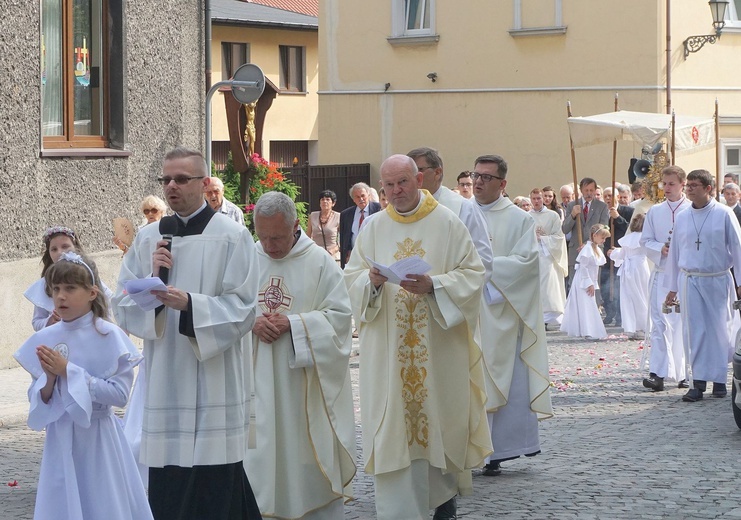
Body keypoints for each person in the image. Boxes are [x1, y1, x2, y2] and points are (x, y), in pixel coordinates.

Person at [113, 146, 262, 519]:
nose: (171, 186)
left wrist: (192, 306)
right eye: (166, 179)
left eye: (181, 179)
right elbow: (122, 303)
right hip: (167, 373)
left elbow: (244, 307)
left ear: (204, 182)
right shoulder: (149, 238)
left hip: (214, 374)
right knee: (170, 478)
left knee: (217, 477)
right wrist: (155, 286)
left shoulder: (231, 236)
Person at [344, 154, 490, 520]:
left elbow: (473, 274)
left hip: (438, 352)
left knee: (438, 423)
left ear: (418, 179)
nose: (396, 191)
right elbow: (350, 278)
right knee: (394, 431)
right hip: (389, 355)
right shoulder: (373, 227)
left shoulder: (447, 222)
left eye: (403, 182)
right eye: (389, 185)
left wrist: (435, 285)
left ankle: (443, 506)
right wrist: (372, 282)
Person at [14, 252, 153, 520]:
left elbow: (120, 395)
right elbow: (39, 398)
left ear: (92, 293)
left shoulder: (108, 334)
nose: (60, 296)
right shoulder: (46, 337)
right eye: (55, 289)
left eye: (70, 288)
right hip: (60, 436)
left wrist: (70, 372)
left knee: (102, 502)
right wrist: (50, 380)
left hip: (99, 438)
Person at [246, 192, 356, 519]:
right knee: (258, 456)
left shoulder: (319, 262)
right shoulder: (247, 258)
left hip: (302, 386)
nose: (269, 246)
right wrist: (251, 321)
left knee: (301, 452)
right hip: (256, 380)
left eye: (277, 237)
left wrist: (295, 325)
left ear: (296, 225)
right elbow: (228, 308)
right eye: (263, 236)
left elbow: (340, 318)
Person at [473, 155, 553, 477]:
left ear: (503, 184)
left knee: (506, 378)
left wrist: (482, 270)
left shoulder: (519, 220)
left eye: (487, 178)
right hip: (466, 309)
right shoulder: (459, 214)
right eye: (476, 175)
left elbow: (525, 266)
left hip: (499, 308)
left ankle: (498, 451)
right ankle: (468, 447)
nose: (479, 182)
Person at [665, 169, 741, 402]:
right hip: (690, 280)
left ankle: (719, 381)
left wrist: (740, 283)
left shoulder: (724, 214)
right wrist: (671, 288)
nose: (689, 189)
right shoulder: (684, 216)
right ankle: (697, 382)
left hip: (717, 278)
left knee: (719, 330)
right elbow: (675, 253)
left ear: (708, 189)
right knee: (694, 330)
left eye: (694, 185)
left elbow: (738, 249)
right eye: (688, 185)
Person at [639, 165, 691, 392]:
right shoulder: (655, 211)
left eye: (671, 184)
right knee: (659, 324)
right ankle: (658, 373)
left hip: (684, 277)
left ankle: (685, 373)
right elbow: (644, 241)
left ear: (682, 184)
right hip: (661, 275)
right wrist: (661, 248)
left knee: (682, 324)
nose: (667, 188)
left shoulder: (691, 210)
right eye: (664, 184)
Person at [407, 146, 493, 281]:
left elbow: (482, 262)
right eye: (408, 172)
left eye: (418, 170)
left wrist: (437, 285)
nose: (412, 177)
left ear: (437, 172)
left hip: (446, 296)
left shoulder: (464, 209)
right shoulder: (401, 210)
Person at [25, 226, 84, 331]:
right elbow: (37, 322)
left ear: (76, 248)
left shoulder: (88, 278)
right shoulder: (44, 285)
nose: (60, 252)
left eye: (65, 246)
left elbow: (104, 312)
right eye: (54, 249)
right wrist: (50, 320)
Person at [560, 224, 611, 340]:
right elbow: (583, 268)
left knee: (589, 303)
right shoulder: (587, 249)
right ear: (595, 235)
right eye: (602, 238)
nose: (604, 240)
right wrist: (589, 283)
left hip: (589, 279)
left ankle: (589, 329)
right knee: (585, 304)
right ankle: (587, 330)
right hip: (583, 280)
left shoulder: (595, 249)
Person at [530, 188, 568, 329]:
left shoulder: (553, 216)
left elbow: (559, 237)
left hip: (548, 255)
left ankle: (552, 318)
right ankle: (537, 317)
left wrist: (544, 238)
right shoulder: (526, 216)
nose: (537, 201)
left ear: (544, 199)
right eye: (534, 199)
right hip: (533, 256)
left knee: (549, 286)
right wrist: (533, 237)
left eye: (539, 198)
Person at [562, 178, 609, 289]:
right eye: (586, 190)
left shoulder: (601, 207)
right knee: (575, 285)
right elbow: (565, 229)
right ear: (581, 190)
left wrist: (588, 244)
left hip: (593, 252)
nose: (589, 193)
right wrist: (573, 215)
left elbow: (605, 229)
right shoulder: (572, 205)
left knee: (591, 286)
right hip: (576, 251)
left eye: (591, 190)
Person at [608, 214, 650, 340]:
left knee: (629, 297)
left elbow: (622, 254)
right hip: (640, 268)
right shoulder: (645, 238)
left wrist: (613, 253)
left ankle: (631, 327)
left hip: (628, 269)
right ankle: (642, 327)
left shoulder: (628, 239)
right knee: (642, 296)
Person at [600, 190, 634, 327]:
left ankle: (620, 315)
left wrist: (618, 217)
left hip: (621, 252)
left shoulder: (628, 210)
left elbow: (631, 229)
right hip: (606, 253)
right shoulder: (602, 211)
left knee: (619, 285)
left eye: (611, 196)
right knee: (605, 285)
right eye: (606, 196)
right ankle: (609, 312)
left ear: (618, 197)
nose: (608, 198)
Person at [339, 182, 381, 268]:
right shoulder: (346, 214)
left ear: (368, 196)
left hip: (374, 256)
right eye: (357, 197)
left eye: (363, 196)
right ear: (353, 199)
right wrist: (347, 253)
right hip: (353, 256)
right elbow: (344, 238)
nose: (361, 199)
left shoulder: (379, 209)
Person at [306, 189, 341, 263]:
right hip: (315, 254)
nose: (325, 201)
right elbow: (307, 237)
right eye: (322, 199)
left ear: (333, 203)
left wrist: (333, 250)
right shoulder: (312, 216)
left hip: (332, 255)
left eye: (328, 199)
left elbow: (343, 239)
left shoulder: (339, 217)